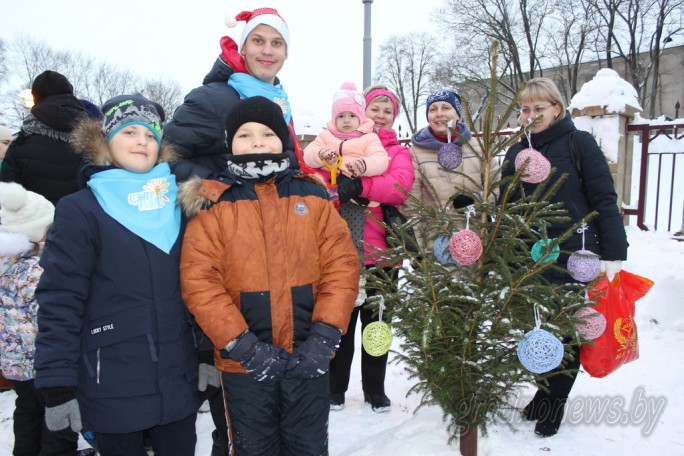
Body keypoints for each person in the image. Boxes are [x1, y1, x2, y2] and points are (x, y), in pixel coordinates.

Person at [179, 96, 360, 455]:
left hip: (309, 354)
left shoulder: (312, 193)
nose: (257, 141)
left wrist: (325, 336)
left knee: (308, 445)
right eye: (245, 135)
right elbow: (200, 280)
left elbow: (341, 265)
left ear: (283, 139)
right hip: (245, 363)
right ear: (229, 143)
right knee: (253, 447)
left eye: (267, 133)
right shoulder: (213, 200)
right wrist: (242, 346)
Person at [33, 93, 201, 455]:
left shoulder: (181, 202)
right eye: (130, 131)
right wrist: (57, 384)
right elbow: (60, 299)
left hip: (177, 382)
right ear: (106, 141)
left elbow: (201, 288)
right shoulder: (81, 210)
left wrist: (205, 354)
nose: (142, 140)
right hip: (110, 381)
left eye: (151, 134)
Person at [501, 77, 628, 437]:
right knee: (536, 326)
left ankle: (554, 403)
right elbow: (505, 205)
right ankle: (542, 392)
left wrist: (614, 252)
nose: (531, 115)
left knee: (567, 328)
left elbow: (604, 197)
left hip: (577, 254)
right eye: (525, 109)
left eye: (539, 108)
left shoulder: (579, 143)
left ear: (557, 108)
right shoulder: (515, 151)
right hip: (529, 256)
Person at [328, 84, 415, 412]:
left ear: (394, 116)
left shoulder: (397, 153)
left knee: (377, 324)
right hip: (342, 254)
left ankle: (375, 390)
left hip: (383, 256)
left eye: (386, 110)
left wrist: (360, 186)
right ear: (362, 112)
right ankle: (335, 388)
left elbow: (399, 186)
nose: (379, 115)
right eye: (374, 108)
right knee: (342, 325)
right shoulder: (341, 144)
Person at [165, 7, 296, 182]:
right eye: (258, 41)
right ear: (243, 48)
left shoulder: (281, 101)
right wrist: (220, 191)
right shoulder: (211, 99)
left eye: (277, 43)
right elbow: (166, 155)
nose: (267, 51)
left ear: (285, 53)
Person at [0, 182, 81, 455]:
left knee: (27, 410)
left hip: (15, 362)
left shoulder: (7, 264)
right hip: (43, 361)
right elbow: (49, 316)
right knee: (55, 416)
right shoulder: (38, 271)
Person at [0, 70, 88, 205]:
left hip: (36, 223)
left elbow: (8, 198)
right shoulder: (94, 141)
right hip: (82, 222)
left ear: (36, 98)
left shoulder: (21, 144)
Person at [303, 82, 389, 185]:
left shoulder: (369, 138)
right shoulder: (325, 135)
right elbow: (308, 153)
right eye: (341, 116)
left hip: (352, 183)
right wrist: (320, 155)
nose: (346, 120)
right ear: (334, 118)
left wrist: (364, 165)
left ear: (360, 118)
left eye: (352, 116)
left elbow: (381, 159)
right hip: (325, 182)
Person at [409, 88, 479, 213]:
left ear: (458, 114)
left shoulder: (478, 147)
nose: (439, 114)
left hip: (476, 229)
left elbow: (496, 188)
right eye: (433, 109)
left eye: (446, 108)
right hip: (435, 231)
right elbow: (412, 202)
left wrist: (476, 202)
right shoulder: (415, 153)